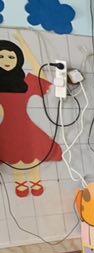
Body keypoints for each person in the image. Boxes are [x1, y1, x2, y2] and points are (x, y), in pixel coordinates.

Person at [0, 35, 62, 197]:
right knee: (14, 155)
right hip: (6, 128)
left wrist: (25, 46)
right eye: (2, 56)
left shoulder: (25, 82)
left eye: (11, 56)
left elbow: (40, 75)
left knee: (32, 152)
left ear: (18, 59)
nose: (6, 60)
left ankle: (35, 181)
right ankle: (20, 182)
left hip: (25, 125)